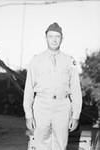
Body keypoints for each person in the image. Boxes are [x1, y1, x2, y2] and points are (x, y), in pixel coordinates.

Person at [23, 22, 82, 150]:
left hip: (62, 106)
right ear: (46, 38)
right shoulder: (36, 60)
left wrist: (75, 115)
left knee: (60, 145)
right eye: (51, 36)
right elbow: (28, 89)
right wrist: (29, 114)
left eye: (57, 36)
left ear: (62, 39)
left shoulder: (69, 61)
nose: (54, 40)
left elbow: (76, 89)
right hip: (41, 106)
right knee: (41, 144)